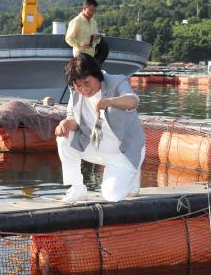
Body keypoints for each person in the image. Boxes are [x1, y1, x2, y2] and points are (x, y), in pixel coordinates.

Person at [55, 53, 145, 203]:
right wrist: (64, 124)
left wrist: (110, 101)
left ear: (97, 75)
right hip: (97, 148)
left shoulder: (116, 81)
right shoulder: (75, 92)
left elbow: (133, 101)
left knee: (111, 196)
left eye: (87, 82)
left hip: (123, 152)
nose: (83, 89)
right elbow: (74, 121)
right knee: (63, 138)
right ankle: (77, 187)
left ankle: (133, 173)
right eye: (78, 85)